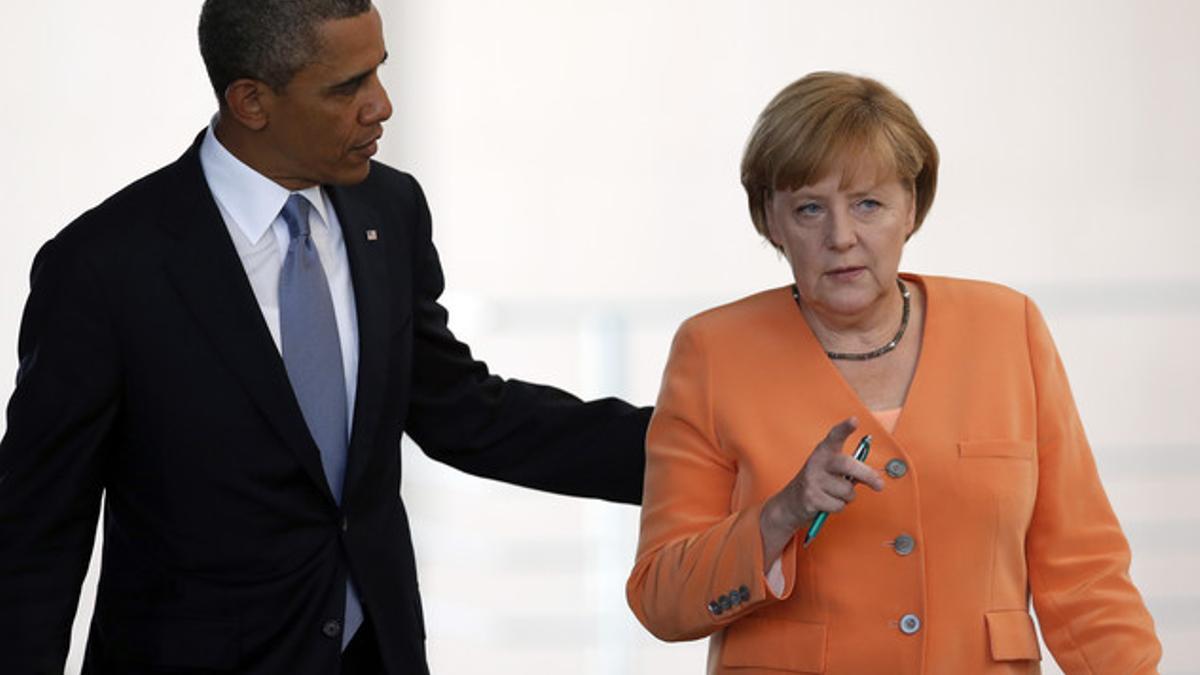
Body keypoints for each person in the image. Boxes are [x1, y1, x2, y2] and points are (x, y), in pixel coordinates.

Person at [0, 1, 650, 673]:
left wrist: (705, 451)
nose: (382, 106)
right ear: (252, 101)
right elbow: (37, 534)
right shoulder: (105, 265)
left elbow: (464, 412)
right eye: (348, 87)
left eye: (379, 72)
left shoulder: (389, 210)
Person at [626, 71, 1161, 673]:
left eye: (868, 204)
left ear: (912, 207)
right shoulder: (713, 351)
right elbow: (661, 599)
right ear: (770, 221)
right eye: (809, 209)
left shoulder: (1008, 327)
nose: (842, 237)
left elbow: (1084, 574)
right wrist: (782, 513)